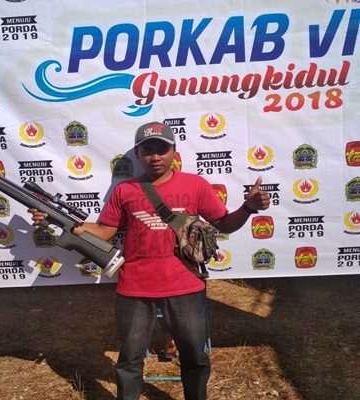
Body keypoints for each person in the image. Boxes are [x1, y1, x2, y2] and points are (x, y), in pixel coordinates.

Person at [28, 121, 270, 400]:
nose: (155, 157)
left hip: (185, 285)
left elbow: (225, 224)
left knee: (195, 357)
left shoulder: (195, 185)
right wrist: (58, 221)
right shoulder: (125, 190)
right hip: (135, 288)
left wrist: (248, 208)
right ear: (138, 155)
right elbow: (105, 231)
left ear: (174, 152)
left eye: (161, 149)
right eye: (148, 151)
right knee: (130, 360)